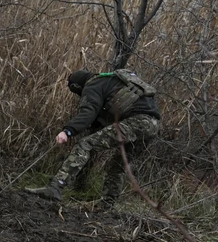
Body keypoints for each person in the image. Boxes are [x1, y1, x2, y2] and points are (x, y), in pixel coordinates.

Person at [25, 69, 161, 204]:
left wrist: (68, 131)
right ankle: (107, 204)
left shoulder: (93, 85)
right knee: (119, 165)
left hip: (136, 121)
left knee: (86, 145)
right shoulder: (111, 81)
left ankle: (55, 187)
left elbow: (88, 112)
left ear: (77, 86)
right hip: (153, 125)